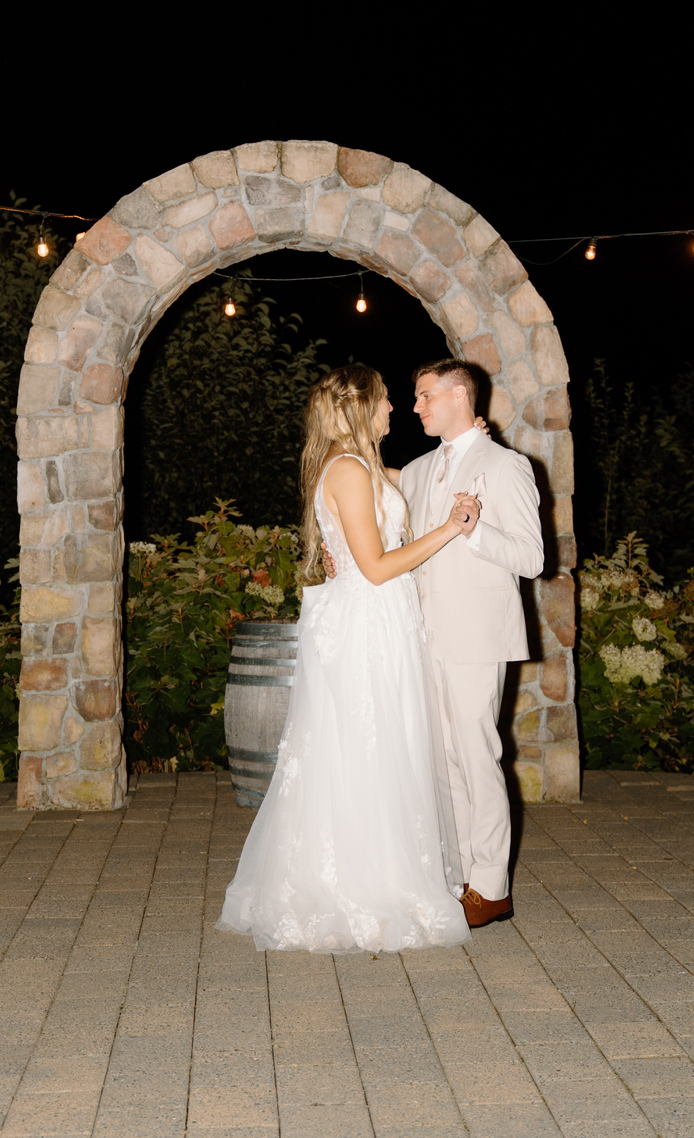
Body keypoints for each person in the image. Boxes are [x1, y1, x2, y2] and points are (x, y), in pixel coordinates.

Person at [216, 365, 481, 953]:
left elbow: (412, 480)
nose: (394, 409)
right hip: (367, 628)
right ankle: (365, 886)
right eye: (388, 400)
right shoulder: (348, 471)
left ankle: (383, 869)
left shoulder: (361, 467)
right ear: (364, 407)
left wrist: (466, 447)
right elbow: (377, 566)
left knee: (382, 749)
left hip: (378, 623)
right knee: (368, 748)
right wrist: (452, 529)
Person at [398, 359, 544, 928]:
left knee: (477, 755)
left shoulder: (506, 466)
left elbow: (532, 559)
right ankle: (458, 876)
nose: (417, 407)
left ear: (460, 394)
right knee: (443, 757)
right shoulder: (414, 470)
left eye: (425, 395)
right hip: (422, 635)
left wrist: (475, 530)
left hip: (476, 633)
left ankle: (492, 886)